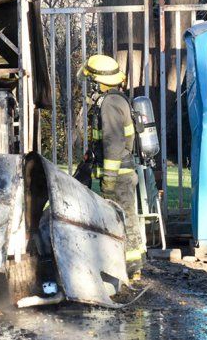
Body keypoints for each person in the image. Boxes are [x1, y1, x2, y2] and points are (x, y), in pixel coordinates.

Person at [80, 54, 145, 279]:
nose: (89, 86)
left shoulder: (109, 104)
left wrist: (108, 178)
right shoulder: (114, 100)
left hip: (119, 175)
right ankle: (130, 266)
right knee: (124, 217)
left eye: (91, 81)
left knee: (123, 218)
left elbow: (113, 143)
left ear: (99, 82)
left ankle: (131, 268)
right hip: (122, 173)